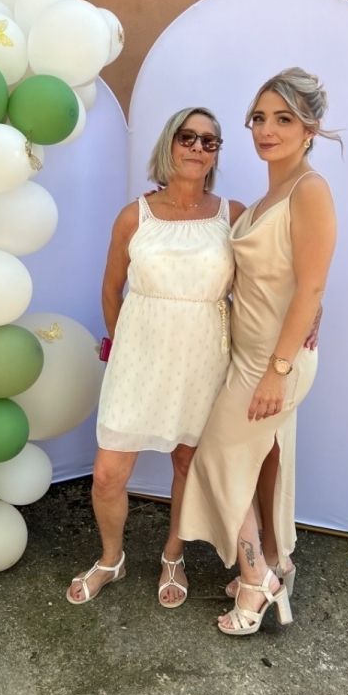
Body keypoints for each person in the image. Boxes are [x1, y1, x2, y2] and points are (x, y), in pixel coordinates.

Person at [179, 67, 338, 635]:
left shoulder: (310, 190)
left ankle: (256, 581)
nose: (267, 130)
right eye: (259, 118)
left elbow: (312, 285)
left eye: (284, 119)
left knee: (216, 460)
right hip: (251, 355)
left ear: (309, 129)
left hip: (274, 362)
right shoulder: (273, 192)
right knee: (264, 461)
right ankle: (275, 560)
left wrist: (278, 370)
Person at [66, 107, 245, 607]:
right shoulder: (135, 215)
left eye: (209, 141)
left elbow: (265, 282)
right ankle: (112, 558)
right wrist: (124, 345)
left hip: (203, 358)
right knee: (108, 473)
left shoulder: (232, 214)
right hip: (139, 359)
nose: (197, 147)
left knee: (187, 462)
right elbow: (111, 289)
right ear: (169, 144)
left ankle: (173, 555)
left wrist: (311, 306)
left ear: (216, 154)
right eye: (187, 137)